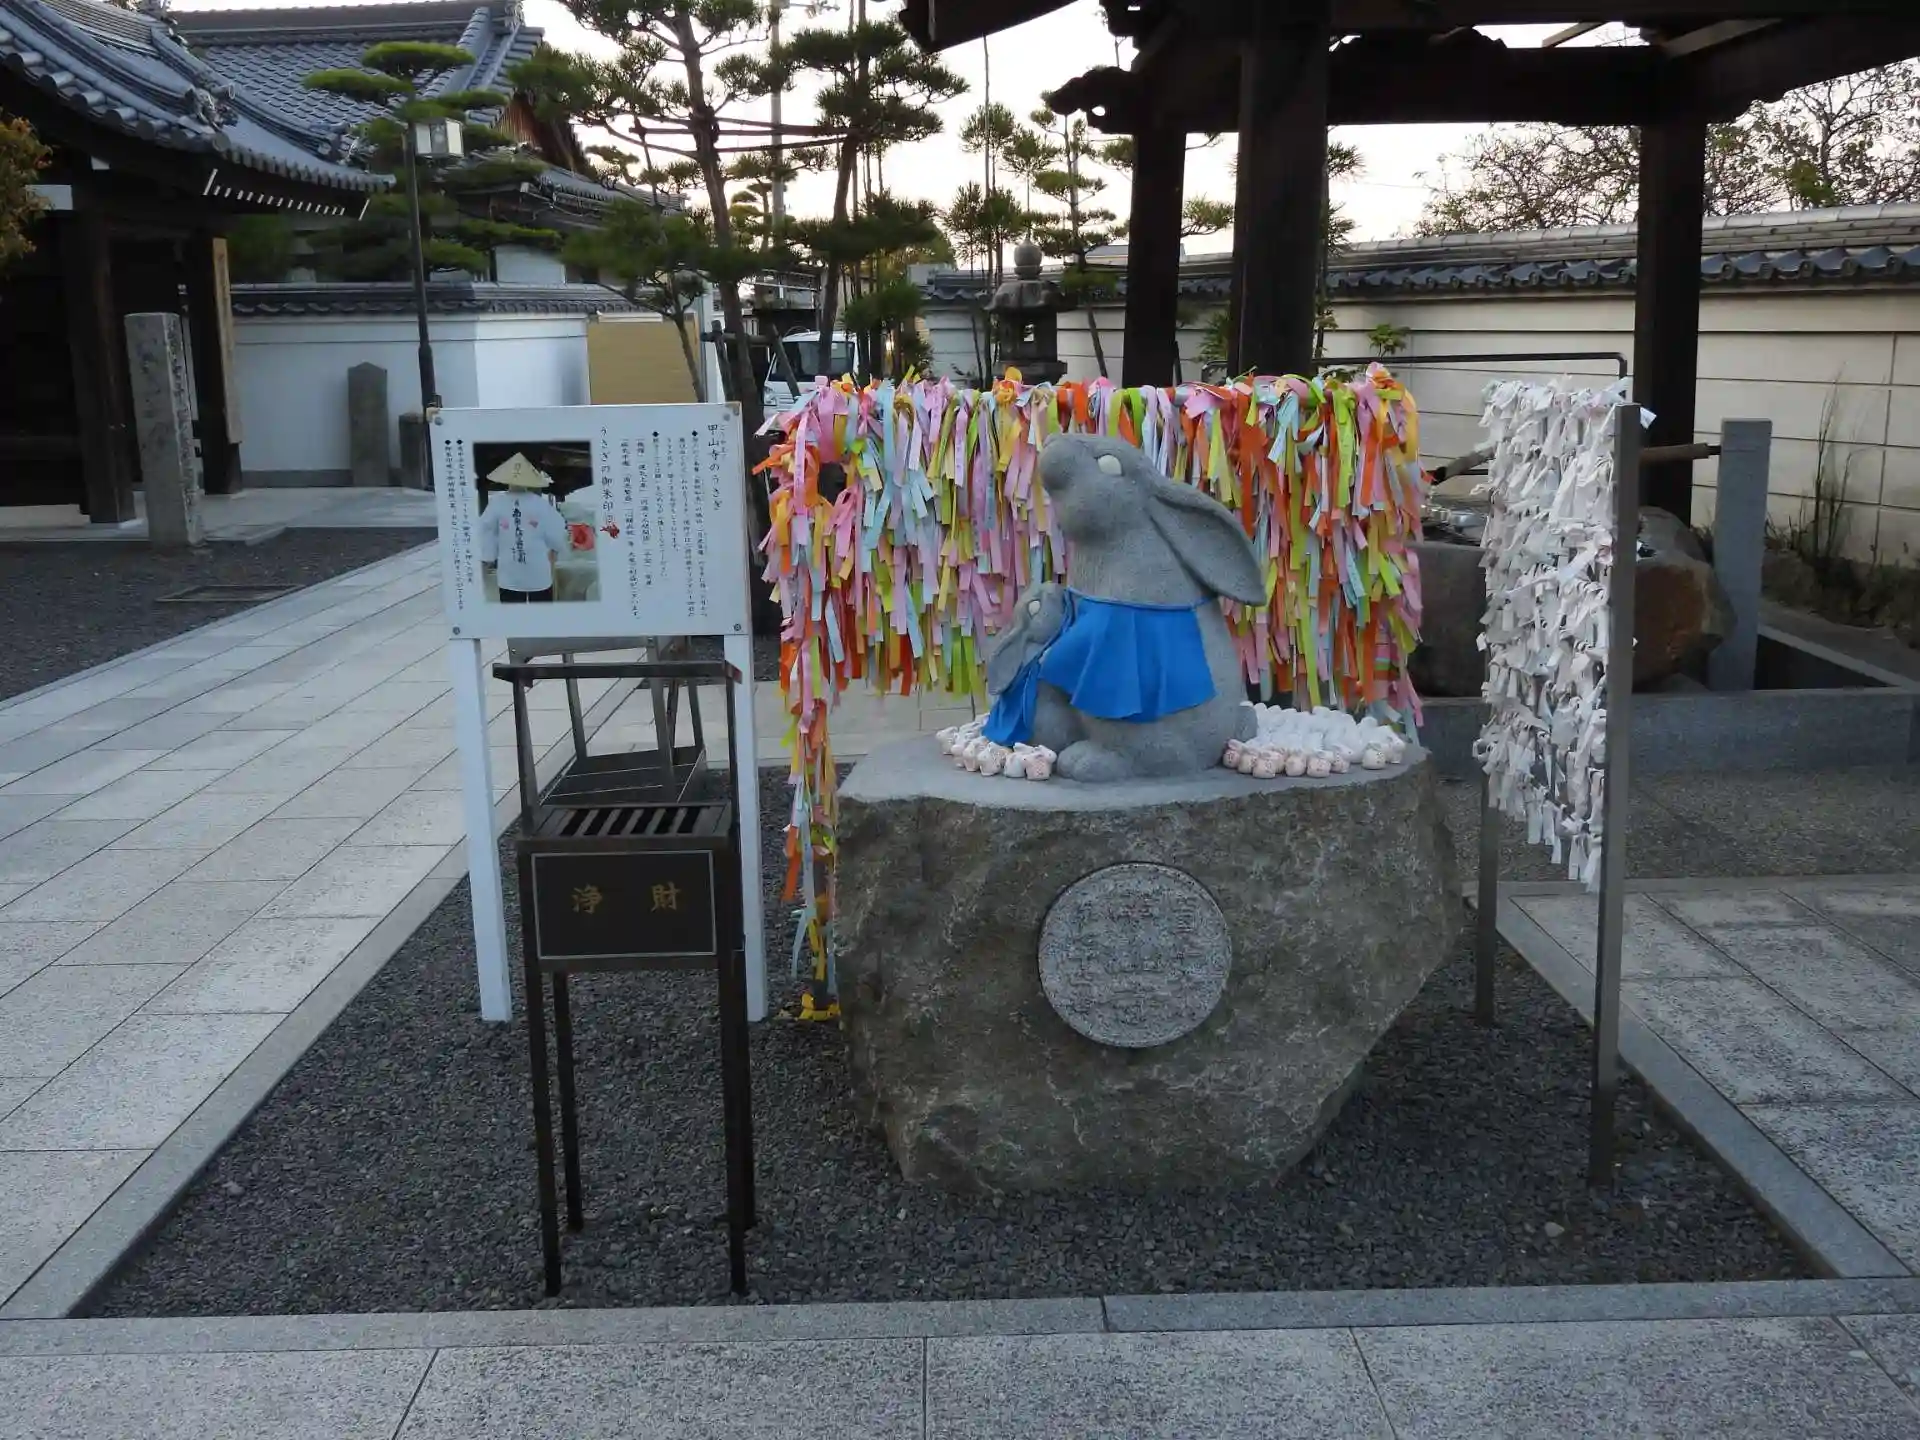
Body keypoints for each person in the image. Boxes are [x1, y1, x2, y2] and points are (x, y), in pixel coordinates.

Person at [478, 452, 571, 602]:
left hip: (509, 572)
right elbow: (557, 534)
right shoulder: (541, 505)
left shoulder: (496, 504)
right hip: (538, 571)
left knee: (512, 612)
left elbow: (487, 533)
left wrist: (487, 559)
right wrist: (557, 549)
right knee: (541, 612)